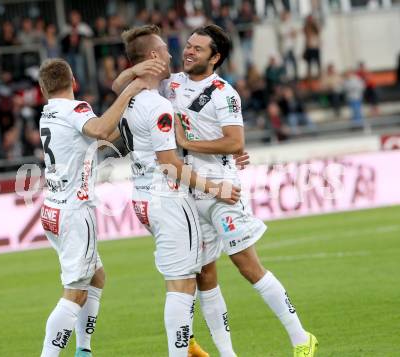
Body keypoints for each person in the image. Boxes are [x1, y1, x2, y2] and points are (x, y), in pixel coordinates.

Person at [113, 24, 318, 357]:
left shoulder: (224, 93)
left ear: (215, 57)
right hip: (192, 190)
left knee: (247, 266)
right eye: (188, 45)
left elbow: (235, 141)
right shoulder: (172, 84)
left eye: (198, 48)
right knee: (206, 273)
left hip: (222, 189)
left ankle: (300, 338)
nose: (188, 51)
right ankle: (227, 354)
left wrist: (188, 142)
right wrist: (137, 67)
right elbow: (121, 85)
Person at [116, 25, 240, 357]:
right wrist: (215, 187)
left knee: (189, 275)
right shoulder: (157, 106)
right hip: (166, 198)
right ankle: (180, 351)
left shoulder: (129, 94)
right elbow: (170, 163)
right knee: (182, 284)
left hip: (141, 195)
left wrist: (134, 70)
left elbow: (118, 83)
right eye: (166, 50)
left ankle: (192, 348)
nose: (174, 53)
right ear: (154, 57)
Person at [37, 58, 159, 357]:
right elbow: (102, 130)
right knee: (75, 292)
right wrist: (130, 91)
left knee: (96, 276)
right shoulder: (76, 109)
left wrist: (130, 129)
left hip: (52, 209)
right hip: (75, 212)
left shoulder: (48, 113)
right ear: (74, 81)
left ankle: (83, 350)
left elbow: (96, 141)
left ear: (43, 89)